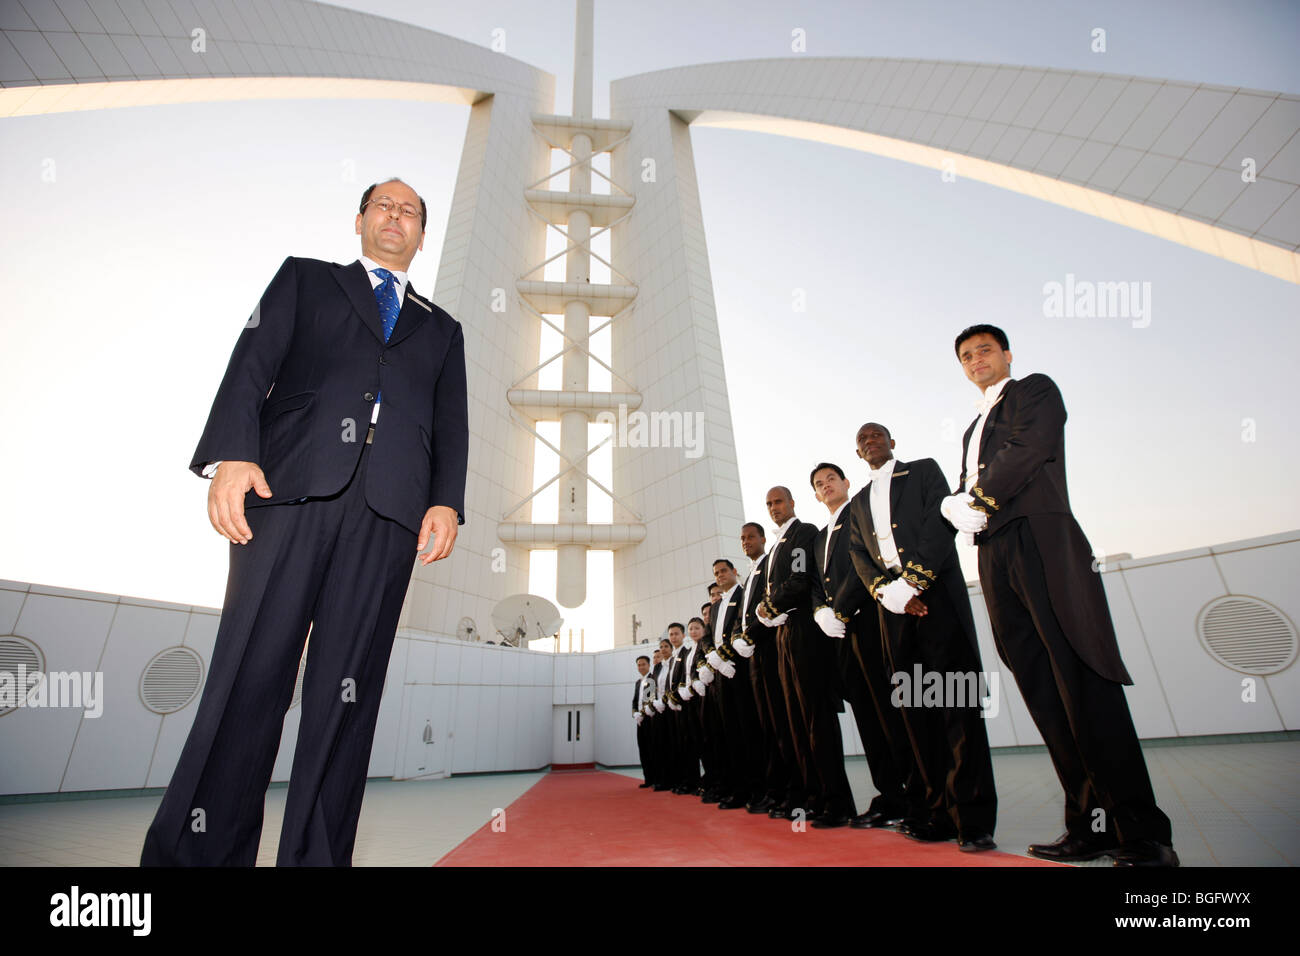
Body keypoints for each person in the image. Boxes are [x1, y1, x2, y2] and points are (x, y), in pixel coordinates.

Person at [142, 178, 468, 867]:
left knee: (345, 701)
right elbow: (249, 364)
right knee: (250, 676)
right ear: (359, 221)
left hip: (387, 518)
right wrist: (233, 452)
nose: (395, 216)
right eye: (384, 205)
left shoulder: (443, 329)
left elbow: (452, 426)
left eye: (409, 211)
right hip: (288, 491)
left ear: (420, 233)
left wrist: (446, 500)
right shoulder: (306, 281)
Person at [944, 324, 1176, 867]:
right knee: (1043, 692)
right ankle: (1090, 824)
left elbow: (1032, 447)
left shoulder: (1035, 391)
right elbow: (974, 487)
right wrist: (960, 504)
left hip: (1041, 539)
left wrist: (975, 497)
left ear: (1006, 354)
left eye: (984, 350)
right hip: (994, 554)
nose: (976, 360)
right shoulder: (972, 427)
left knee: (1082, 679)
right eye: (966, 356)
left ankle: (1143, 834)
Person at [843, 426, 998, 851]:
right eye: (863, 438)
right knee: (916, 714)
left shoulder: (925, 471)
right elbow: (858, 554)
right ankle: (935, 813)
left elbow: (938, 524)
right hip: (893, 610)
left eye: (878, 435)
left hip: (937, 601)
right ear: (858, 452)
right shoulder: (857, 503)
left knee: (957, 707)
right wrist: (885, 591)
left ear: (892, 443)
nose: (871, 441)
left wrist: (914, 583)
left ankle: (974, 819)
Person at [809, 461, 912, 829]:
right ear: (816, 494)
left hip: (869, 620)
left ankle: (914, 793)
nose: (826, 486)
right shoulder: (820, 537)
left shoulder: (861, 511)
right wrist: (821, 610)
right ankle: (889, 794)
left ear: (845, 482)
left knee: (889, 711)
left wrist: (840, 606)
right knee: (867, 717)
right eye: (819, 484)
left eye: (831, 479)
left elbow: (864, 564)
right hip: (840, 634)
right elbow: (815, 583)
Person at [756, 487, 856, 828]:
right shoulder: (774, 548)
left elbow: (800, 579)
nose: (773, 508)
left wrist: (770, 605)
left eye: (778, 501)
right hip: (783, 635)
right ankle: (813, 797)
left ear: (792, 503)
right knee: (795, 721)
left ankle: (837, 802)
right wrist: (767, 612)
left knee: (816, 718)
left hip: (805, 631)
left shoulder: (803, 533)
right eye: (768, 504)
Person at [633, 655, 655, 787]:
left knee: (651, 749)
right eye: (639, 665)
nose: (641, 667)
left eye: (643, 664)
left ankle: (654, 778)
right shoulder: (638, 682)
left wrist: (642, 714)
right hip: (639, 720)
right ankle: (647, 778)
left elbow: (649, 700)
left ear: (649, 665)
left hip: (649, 720)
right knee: (643, 750)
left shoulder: (651, 679)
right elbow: (634, 701)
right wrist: (635, 713)